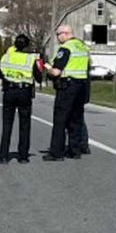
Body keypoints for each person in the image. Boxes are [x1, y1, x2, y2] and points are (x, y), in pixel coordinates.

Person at [0, 34, 42, 164]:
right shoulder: (30, 59)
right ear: (27, 45)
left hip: (9, 91)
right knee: (24, 125)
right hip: (24, 92)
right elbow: (39, 78)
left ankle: (3, 156)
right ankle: (23, 156)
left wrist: (9, 75)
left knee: (7, 124)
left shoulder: (6, 57)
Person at [43, 24, 89, 161]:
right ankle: (75, 151)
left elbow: (56, 71)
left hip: (67, 86)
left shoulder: (66, 48)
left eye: (58, 35)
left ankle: (56, 152)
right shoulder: (82, 47)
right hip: (81, 86)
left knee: (60, 120)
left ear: (65, 34)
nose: (57, 38)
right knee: (76, 119)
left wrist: (47, 68)